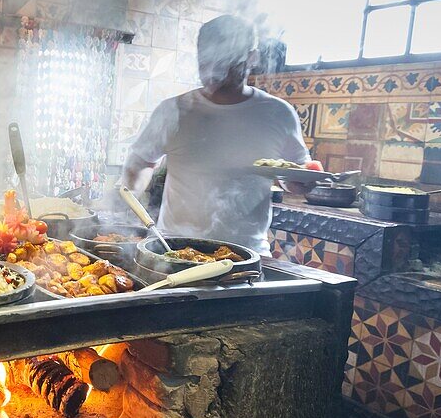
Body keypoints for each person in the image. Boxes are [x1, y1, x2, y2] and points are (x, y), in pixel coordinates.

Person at [120, 15, 312, 256]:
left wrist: (302, 181)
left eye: (226, 60)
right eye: (206, 60)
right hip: (175, 250)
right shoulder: (174, 110)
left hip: (246, 255)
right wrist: (129, 194)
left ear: (251, 58)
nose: (213, 71)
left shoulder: (278, 113)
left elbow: (292, 175)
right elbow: (141, 162)